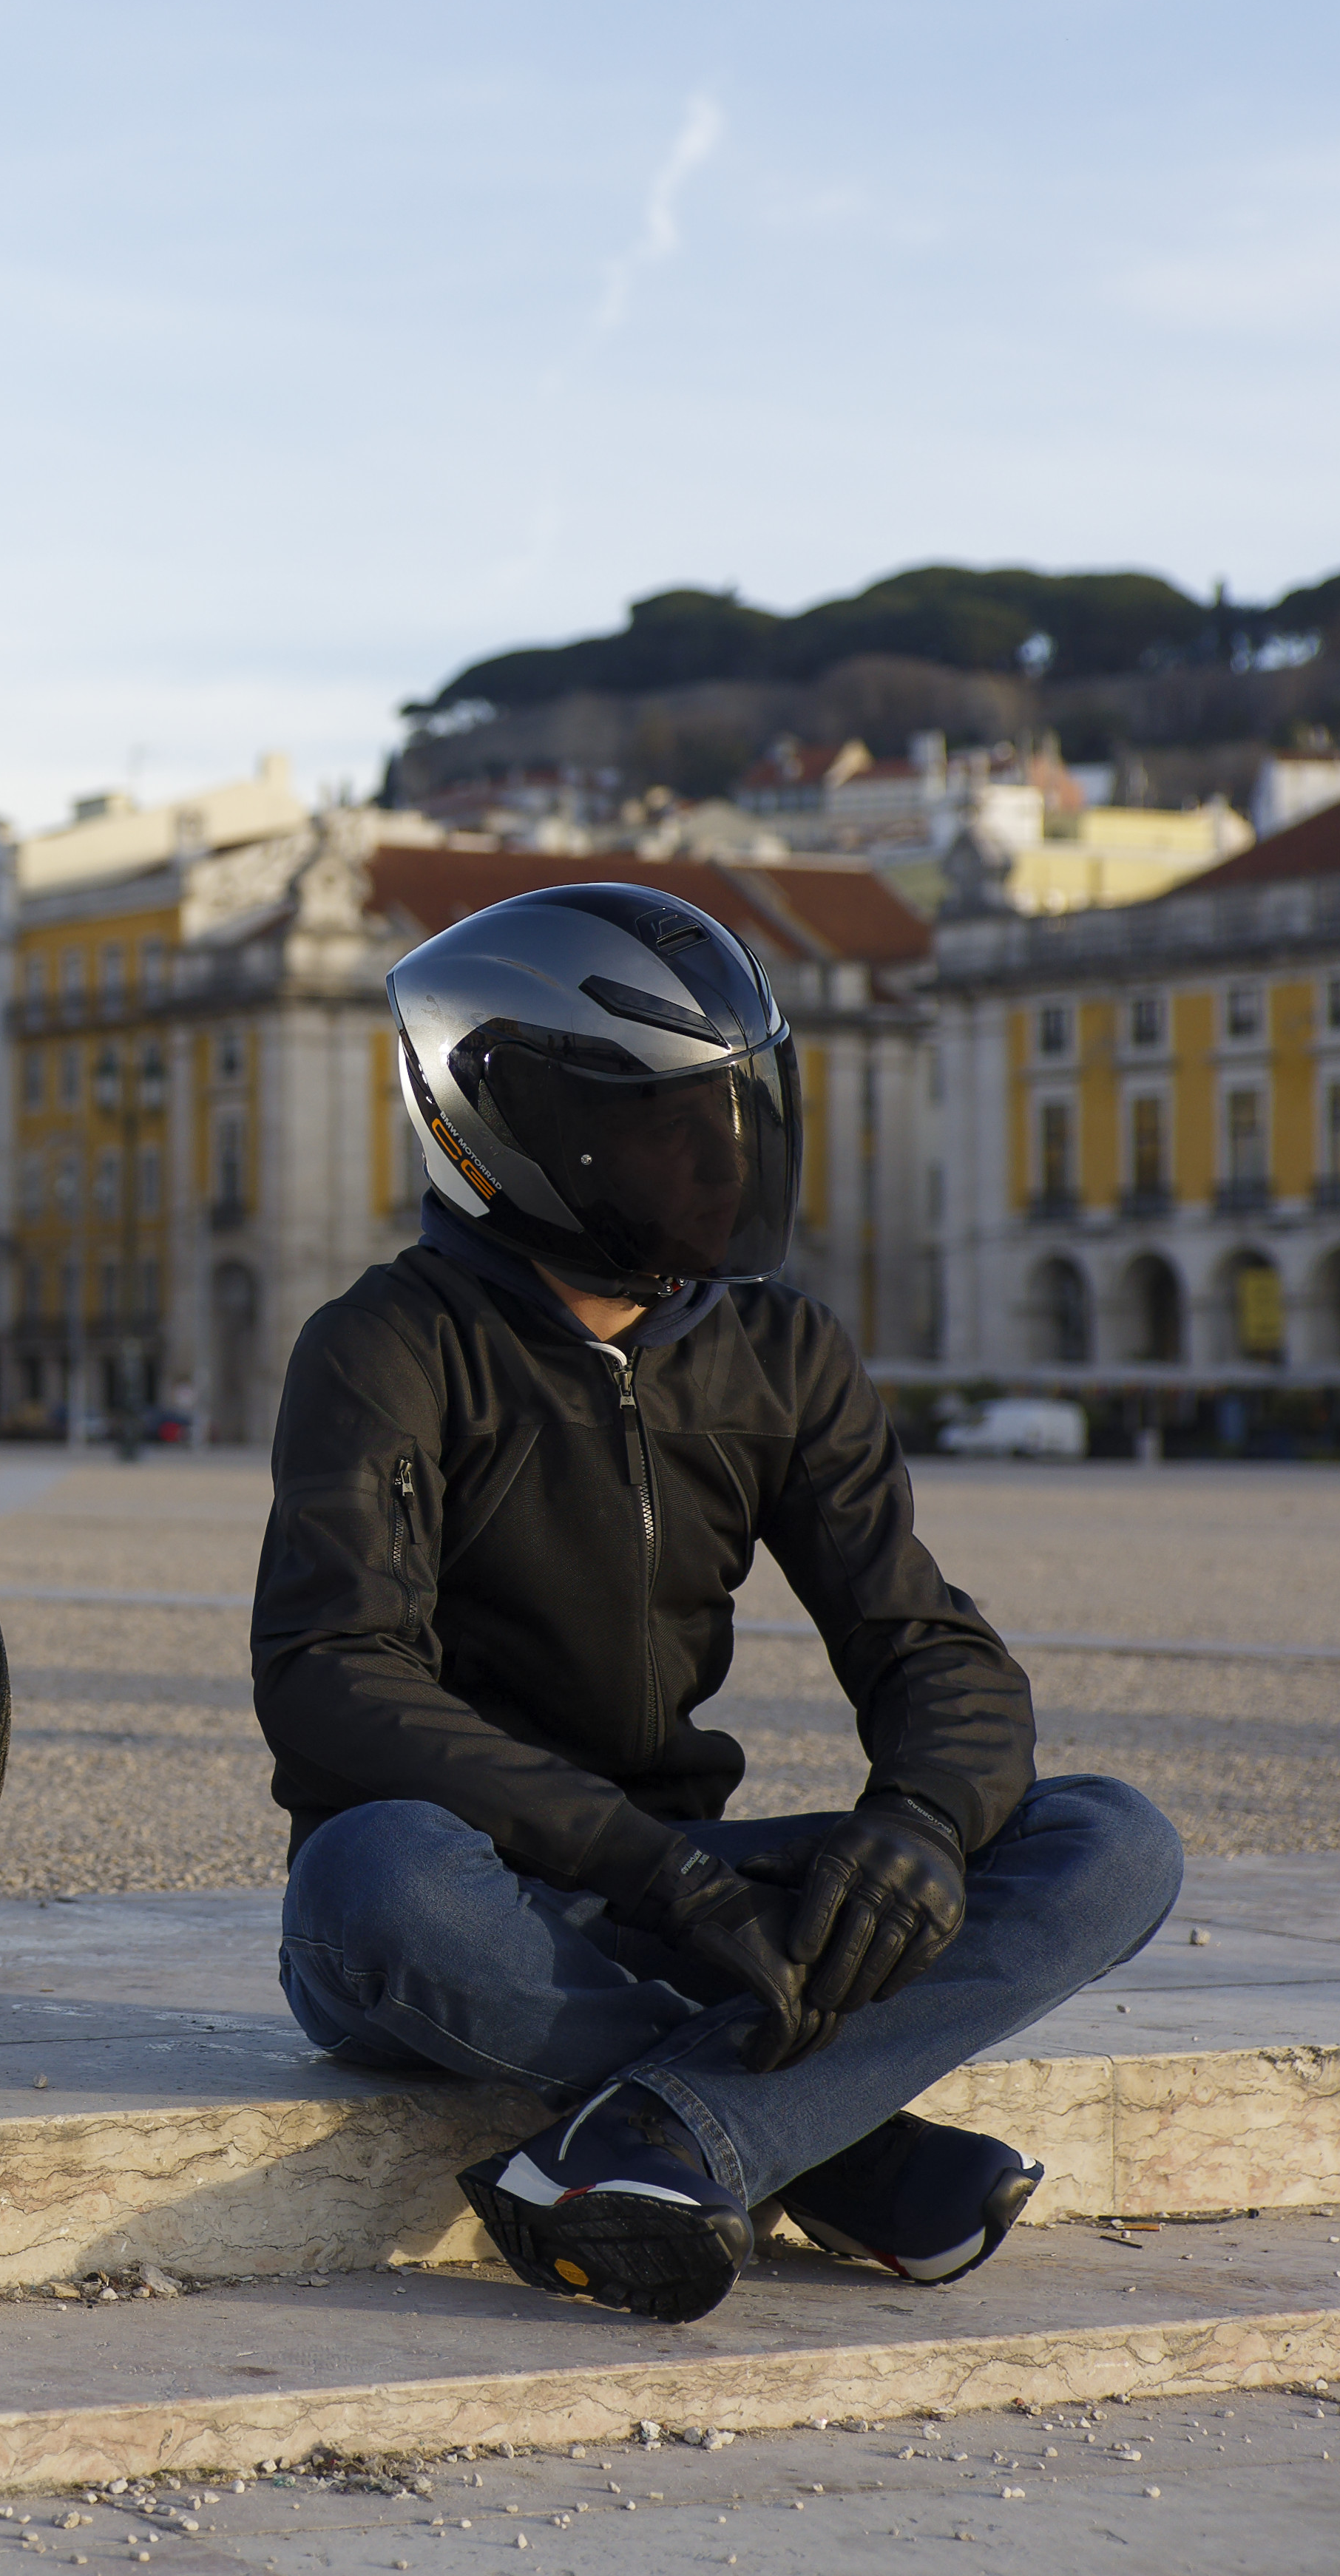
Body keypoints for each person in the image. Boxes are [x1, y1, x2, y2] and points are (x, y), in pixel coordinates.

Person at [252, 881, 1182, 2325]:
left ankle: (672, 2137)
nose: (725, 1157)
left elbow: (929, 1645)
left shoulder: (784, 1350)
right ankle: (846, 2150)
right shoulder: (386, 1344)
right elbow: (333, 1676)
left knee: (1113, 1841)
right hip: (476, 1893)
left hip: (681, 1889)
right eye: (669, 1123)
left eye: (740, 1110)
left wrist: (921, 1823)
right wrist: (656, 1874)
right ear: (522, 1126)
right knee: (375, 1872)